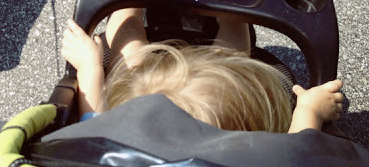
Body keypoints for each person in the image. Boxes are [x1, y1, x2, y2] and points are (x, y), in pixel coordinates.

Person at [61, 8, 344, 133]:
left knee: (131, 61)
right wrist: (311, 111)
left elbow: (93, 128)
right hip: (132, 120)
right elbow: (296, 154)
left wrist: (90, 68)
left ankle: (128, 3)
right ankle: (233, 17)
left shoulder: (113, 152)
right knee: (229, 65)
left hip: (132, 116)